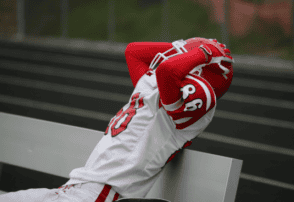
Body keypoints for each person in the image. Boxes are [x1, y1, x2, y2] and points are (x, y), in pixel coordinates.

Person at [0, 37, 234, 202]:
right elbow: (133, 51)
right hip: (76, 188)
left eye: (182, 54)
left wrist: (203, 52)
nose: (175, 54)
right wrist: (181, 47)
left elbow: (167, 71)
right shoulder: (155, 92)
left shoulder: (199, 97)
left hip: (103, 194)